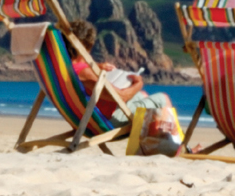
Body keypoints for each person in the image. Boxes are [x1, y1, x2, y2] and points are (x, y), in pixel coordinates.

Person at [67, 20, 182, 156]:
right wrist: (137, 83)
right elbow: (122, 96)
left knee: (143, 96)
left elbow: (80, 67)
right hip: (103, 123)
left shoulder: (66, 68)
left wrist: (96, 65)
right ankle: (176, 148)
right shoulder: (84, 73)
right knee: (162, 99)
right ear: (87, 46)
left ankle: (157, 146)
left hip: (87, 117)